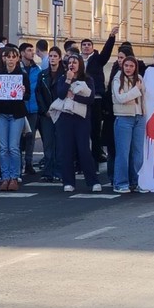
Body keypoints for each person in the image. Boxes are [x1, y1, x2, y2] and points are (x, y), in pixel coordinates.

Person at [56, 53, 100, 193]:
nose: (72, 65)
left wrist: (74, 96)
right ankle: (68, 182)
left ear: (80, 64)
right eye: (70, 62)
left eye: (75, 62)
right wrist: (68, 81)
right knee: (66, 150)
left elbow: (90, 99)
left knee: (84, 150)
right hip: (66, 118)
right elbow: (61, 94)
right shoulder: (63, 78)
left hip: (82, 119)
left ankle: (92, 181)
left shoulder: (88, 79)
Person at [0, 46, 30, 192]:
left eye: (13, 56)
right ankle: (5, 177)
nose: (11, 59)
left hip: (16, 114)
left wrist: (23, 92)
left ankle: (14, 176)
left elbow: (27, 96)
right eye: (8, 56)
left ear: (17, 59)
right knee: (3, 147)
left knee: (13, 147)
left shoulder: (22, 75)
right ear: (4, 58)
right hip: (1, 113)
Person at [82, 27, 119, 165]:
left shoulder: (98, 59)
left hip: (96, 97)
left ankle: (96, 154)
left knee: (96, 128)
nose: (86, 47)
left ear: (92, 47)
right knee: (83, 129)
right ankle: (82, 156)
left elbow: (107, 52)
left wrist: (111, 37)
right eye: (84, 45)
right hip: (80, 99)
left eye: (88, 45)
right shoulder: (77, 60)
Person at [111, 56, 148, 194]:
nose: (128, 68)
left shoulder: (139, 78)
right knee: (123, 153)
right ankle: (120, 183)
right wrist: (136, 90)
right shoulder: (117, 78)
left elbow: (144, 96)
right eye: (126, 65)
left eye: (131, 66)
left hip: (139, 117)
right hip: (124, 118)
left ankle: (136, 182)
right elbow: (121, 98)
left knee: (138, 153)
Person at [36, 46, 65, 183]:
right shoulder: (42, 75)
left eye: (55, 56)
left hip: (61, 113)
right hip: (46, 114)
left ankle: (59, 171)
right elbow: (38, 94)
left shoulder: (65, 75)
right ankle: (48, 171)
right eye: (51, 56)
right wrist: (44, 110)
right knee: (48, 144)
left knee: (60, 143)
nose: (53, 59)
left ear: (60, 58)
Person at [19, 43, 41, 175]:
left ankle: (28, 163)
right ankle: (19, 164)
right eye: (29, 50)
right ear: (22, 53)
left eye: (32, 50)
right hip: (19, 108)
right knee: (18, 137)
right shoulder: (17, 68)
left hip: (33, 107)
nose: (32, 53)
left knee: (30, 136)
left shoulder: (36, 69)